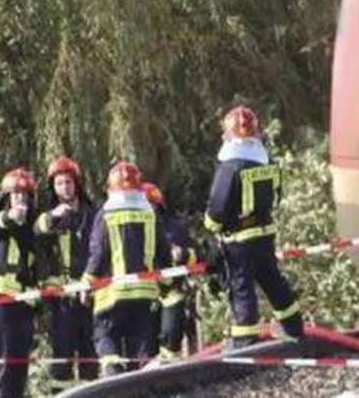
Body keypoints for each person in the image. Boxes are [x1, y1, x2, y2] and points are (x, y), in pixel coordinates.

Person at [204, 106, 302, 348]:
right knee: (272, 280)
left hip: (238, 239)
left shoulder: (230, 166)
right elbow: (277, 194)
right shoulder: (266, 160)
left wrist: (211, 226)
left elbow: (218, 204)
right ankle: (294, 327)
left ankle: (245, 340)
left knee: (241, 286)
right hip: (265, 232)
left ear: (229, 134)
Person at [84, 161, 168, 377]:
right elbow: (162, 250)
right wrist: (167, 280)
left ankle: (113, 374)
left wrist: (87, 281)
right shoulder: (150, 212)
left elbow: (98, 253)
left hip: (112, 295)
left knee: (105, 336)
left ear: (111, 188)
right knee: (141, 347)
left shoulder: (106, 213)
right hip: (145, 293)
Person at [34, 157, 98, 394]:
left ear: (76, 184)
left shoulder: (92, 213)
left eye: (68, 182)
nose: (64, 188)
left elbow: (100, 249)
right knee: (61, 359)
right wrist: (53, 218)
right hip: (63, 302)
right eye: (59, 184)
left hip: (90, 295)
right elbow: (36, 232)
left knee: (90, 357)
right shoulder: (51, 215)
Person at [0, 167, 39, 398]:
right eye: (16, 194)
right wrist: (11, 216)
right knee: (2, 370)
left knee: (18, 371)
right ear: (7, 197)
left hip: (24, 308)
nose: (20, 199)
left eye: (25, 195)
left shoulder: (31, 230)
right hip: (2, 306)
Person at [141, 181, 197, 360]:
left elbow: (196, 257)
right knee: (146, 350)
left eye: (152, 206)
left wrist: (183, 254)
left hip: (171, 294)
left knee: (171, 343)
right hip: (144, 297)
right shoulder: (133, 232)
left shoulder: (174, 228)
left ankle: (172, 380)